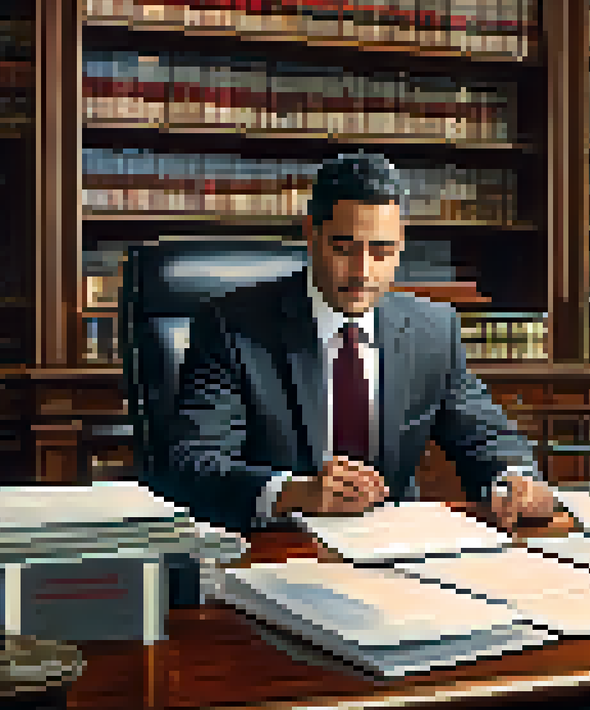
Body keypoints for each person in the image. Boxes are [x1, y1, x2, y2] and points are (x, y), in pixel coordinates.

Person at [164, 153, 557, 533]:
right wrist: (296, 492)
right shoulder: (231, 326)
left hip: (392, 552)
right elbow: (193, 464)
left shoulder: (433, 329)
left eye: (381, 250)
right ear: (311, 234)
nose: (361, 271)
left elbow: (485, 435)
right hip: (276, 547)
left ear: (401, 243)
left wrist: (513, 480)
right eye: (343, 247)